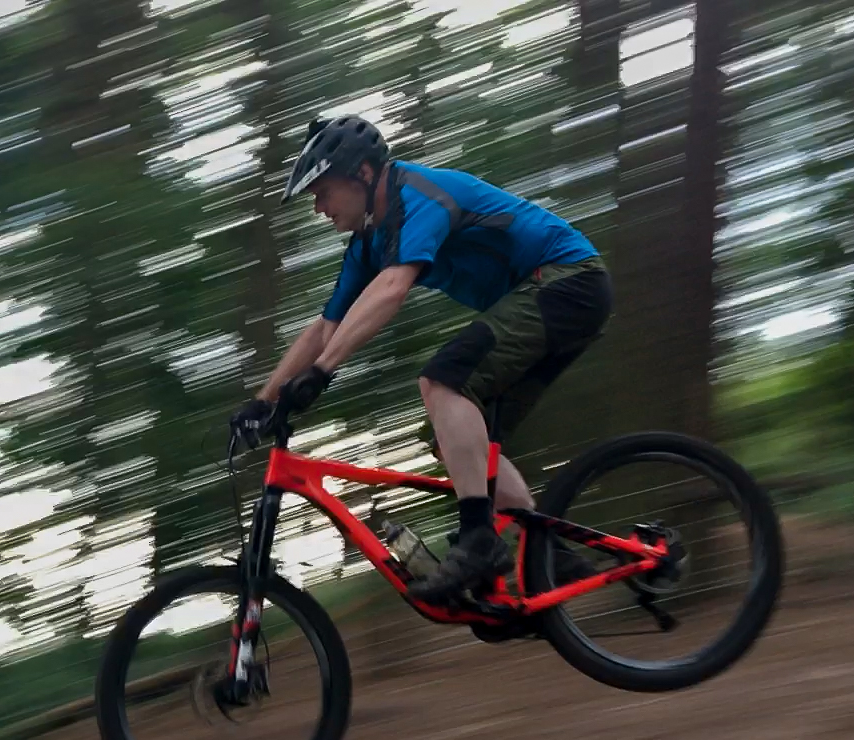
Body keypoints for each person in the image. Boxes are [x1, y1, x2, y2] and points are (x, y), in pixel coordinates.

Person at [231, 114, 613, 604]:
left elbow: (392, 289)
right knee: (455, 441)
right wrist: (262, 401)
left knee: (442, 383)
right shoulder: (367, 244)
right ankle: (548, 556)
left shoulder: (419, 193)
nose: (319, 207)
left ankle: (480, 540)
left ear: (364, 175)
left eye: (323, 192)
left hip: (569, 281)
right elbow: (324, 328)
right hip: (544, 299)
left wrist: (322, 373)